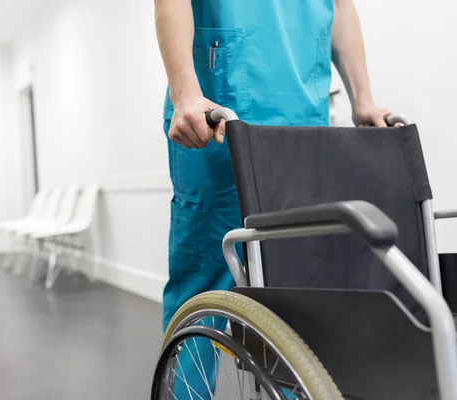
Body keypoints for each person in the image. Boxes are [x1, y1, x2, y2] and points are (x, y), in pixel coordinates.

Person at [155, 0, 393, 396]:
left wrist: (363, 97)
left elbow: (339, 6)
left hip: (302, 123)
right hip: (218, 117)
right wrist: (185, 94)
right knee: (204, 285)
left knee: (295, 288)